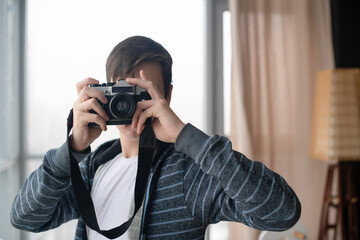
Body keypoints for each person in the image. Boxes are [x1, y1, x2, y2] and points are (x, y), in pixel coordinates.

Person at [10, 36, 301, 240]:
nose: (129, 103)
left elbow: (281, 212)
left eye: (143, 92)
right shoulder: (92, 167)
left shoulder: (189, 173)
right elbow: (25, 218)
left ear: (167, 96)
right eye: (122, 91)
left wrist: (187, 137)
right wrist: (72, 148)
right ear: (105, 92)